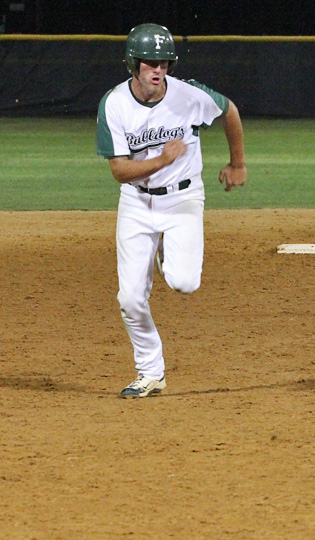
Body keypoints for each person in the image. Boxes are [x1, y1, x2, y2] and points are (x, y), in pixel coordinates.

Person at [96, 23, 247, 398]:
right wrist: (163, 159)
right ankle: (150, 372)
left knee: (184, 282)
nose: (157, 70)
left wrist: (237, 163)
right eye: (150, 62)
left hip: (182, 199)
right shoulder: (114, 104)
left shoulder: (188, 95)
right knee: (130, 298)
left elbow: (229, 111)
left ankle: (167, 251)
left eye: (163, 62)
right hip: (136, 201)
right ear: (133, 63)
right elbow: (119, 170)